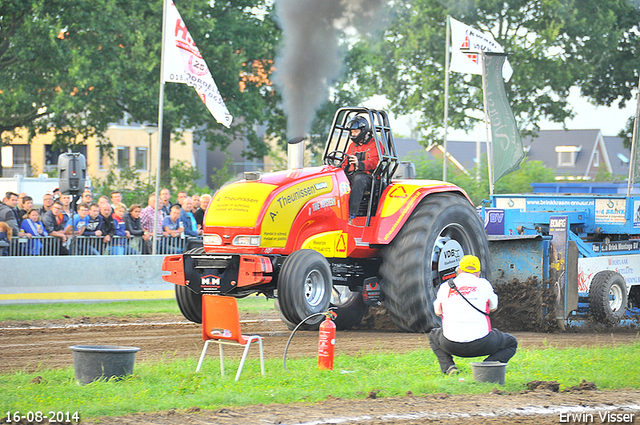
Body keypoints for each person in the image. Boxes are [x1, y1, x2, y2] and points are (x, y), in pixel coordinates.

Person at [428, 255, 518, 376]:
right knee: (511, 342)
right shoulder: (484, 284)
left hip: (450, 344)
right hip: (482, 344)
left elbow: (438, 312)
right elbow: (493, 307)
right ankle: (486, 368)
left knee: (433, 335)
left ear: (459, 270)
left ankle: (449, 367)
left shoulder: (445, 286)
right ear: (478, 273)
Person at [342, 116, 381, 223]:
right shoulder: (352, 146)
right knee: (339, 180)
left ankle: (350, 214)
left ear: (363, 131)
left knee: (359, 180)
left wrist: (358, 163)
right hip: (353, 175)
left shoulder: (374, 144)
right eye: (352, 132)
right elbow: (345, 162)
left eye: (355, 131)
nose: (353, 134)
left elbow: (375, 162)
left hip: (369, 177)